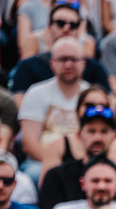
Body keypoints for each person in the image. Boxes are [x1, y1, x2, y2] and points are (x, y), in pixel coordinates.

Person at [38, 101, 116, 209]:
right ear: (79, 135)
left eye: (104, 131)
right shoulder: (57, 177)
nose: (97, 138)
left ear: (114, 136)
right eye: (91, 131)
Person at [18, 36, 89, 184]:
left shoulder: (91, 94)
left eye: (74, 59)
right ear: (52, 63)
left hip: (84, 162)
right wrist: (55, 165)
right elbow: (29, 143)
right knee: (35, 175)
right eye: (62, 59)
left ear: (83, 63)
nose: (68, 64)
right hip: (40, 162)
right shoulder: (36, 93)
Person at [38, 86, 116, 185]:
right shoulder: (57, 145)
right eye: (89, 105)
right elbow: (47, 186)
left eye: (102, 105)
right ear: (77, 110)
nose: (96, 109)